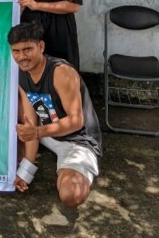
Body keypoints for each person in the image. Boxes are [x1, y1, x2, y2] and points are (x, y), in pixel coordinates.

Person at [10, 22, 101, 207]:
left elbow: (76, 121)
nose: (21, 57)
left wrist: (36, 132)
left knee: (71, 195)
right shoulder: (22, 73)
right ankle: (23, 155)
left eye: (27, 49)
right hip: (47, 133)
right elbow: (31, 121)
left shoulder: (61, 72)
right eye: (16, 51)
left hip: (76, 139)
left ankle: (75, 169)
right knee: (13, 107)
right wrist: (26, 172)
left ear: (41, 47)